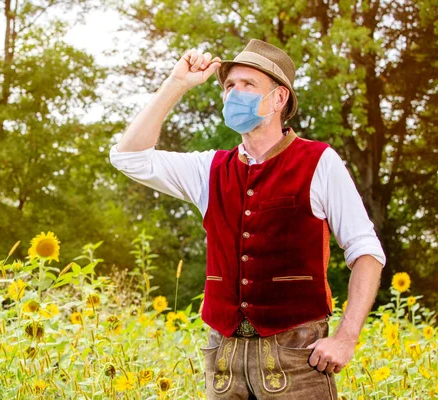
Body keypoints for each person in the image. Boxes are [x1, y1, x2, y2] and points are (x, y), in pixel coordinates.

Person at [109, 39, 385, 399]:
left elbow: (366, 251)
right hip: (223, 361)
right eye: (228, 86)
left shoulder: (319, 161)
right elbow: (128, 158)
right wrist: (176, 84)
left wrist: (346, 339)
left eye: (247, 85)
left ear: (279, 99)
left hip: (297, 358)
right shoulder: (208, 168)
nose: (233, 94)